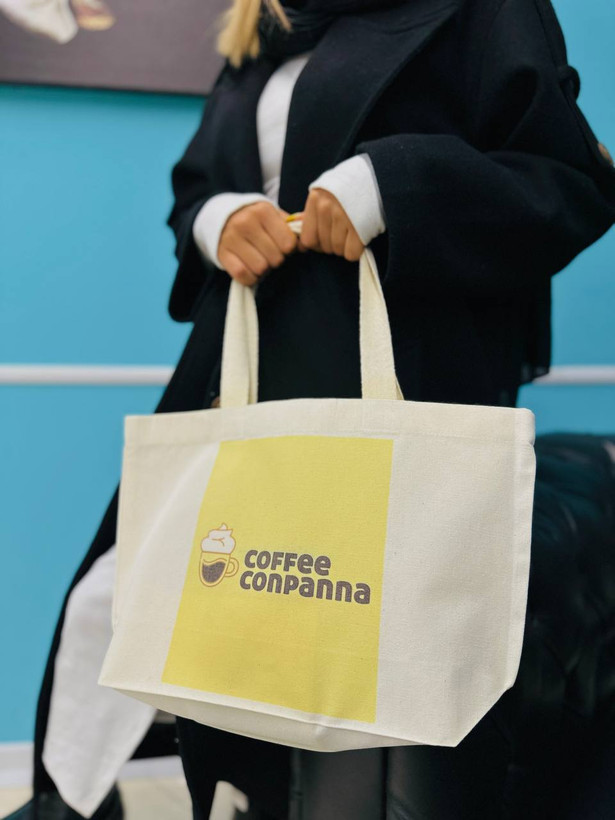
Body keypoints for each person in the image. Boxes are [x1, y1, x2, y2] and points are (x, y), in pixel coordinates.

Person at [5, 0, 614, 818]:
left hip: (397, 370)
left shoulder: (480, 8)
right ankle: (81, 800)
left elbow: (569, 180)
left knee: (340, 626)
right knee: (124, 594)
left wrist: (392, 184)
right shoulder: (261, 30)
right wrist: (218, 221)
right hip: (238, 369)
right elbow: (194, 187)